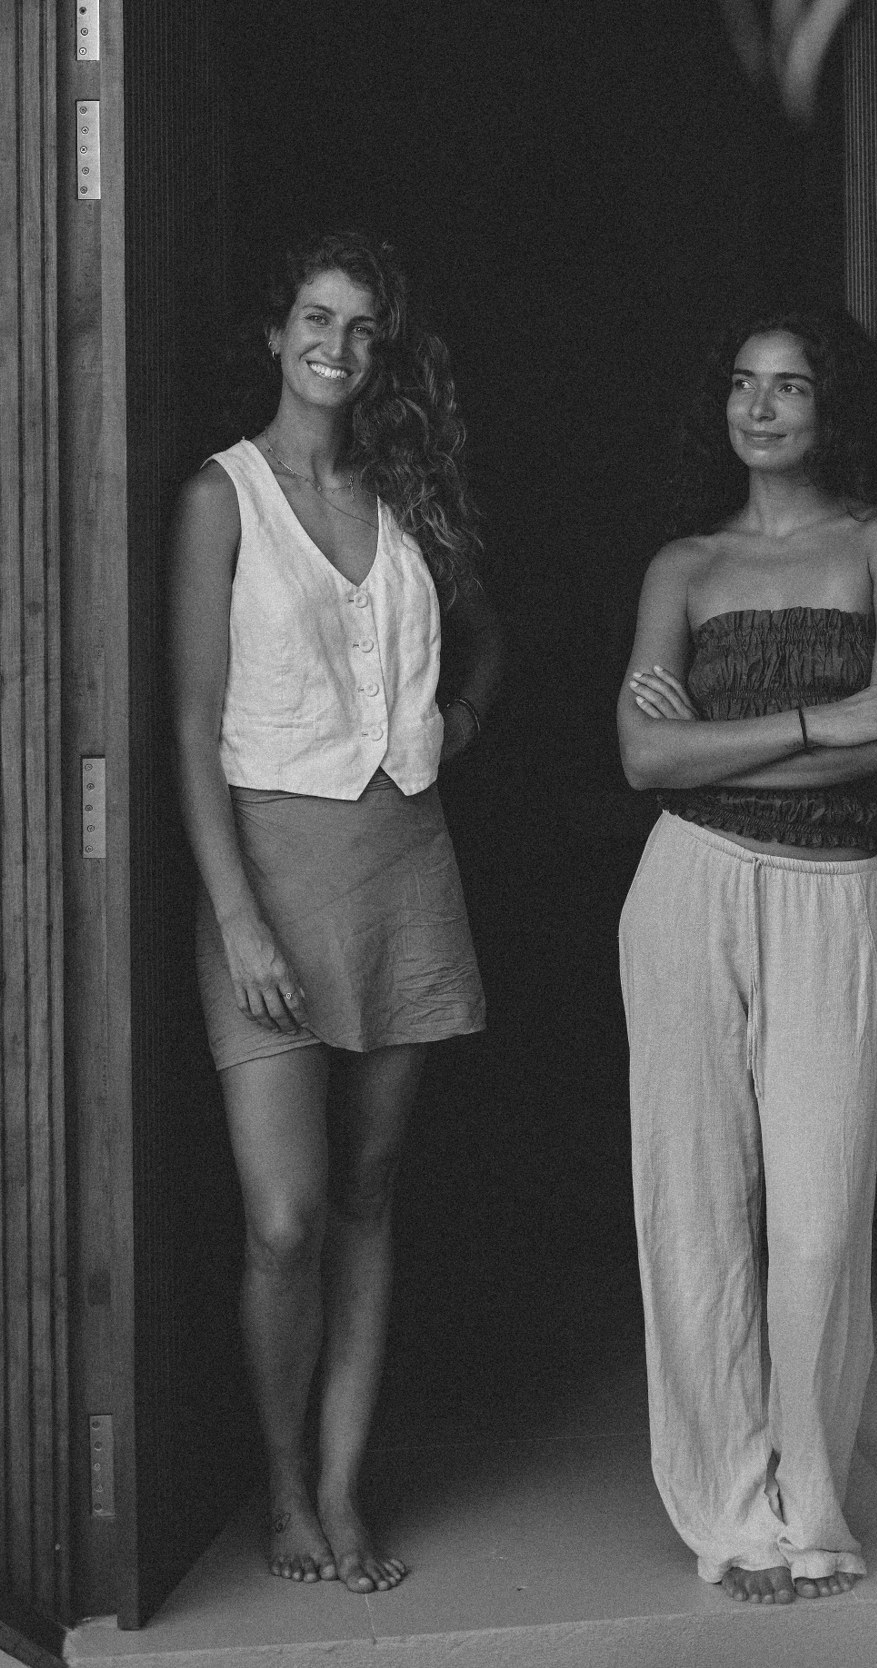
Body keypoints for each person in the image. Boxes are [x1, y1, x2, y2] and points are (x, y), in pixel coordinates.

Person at [169, 231, 501, 1594]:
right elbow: (190, 726)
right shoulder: (222, 498)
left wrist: (455, 723)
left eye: (363, 329)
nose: (338, 347)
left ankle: (345, 1487)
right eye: (317, 318)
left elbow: (488, 635)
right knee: (287, 1216)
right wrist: (237, 917)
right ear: (276, 334)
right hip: (268, 874)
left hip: (406, 865)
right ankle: (285, 1484)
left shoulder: (405, 486)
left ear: (380, 352)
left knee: (370, 1192)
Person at [616, 306, 877, 1605]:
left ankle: (813, 1503)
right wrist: (824, 714)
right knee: (691, 1210)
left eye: (790, 386)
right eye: (744, 384)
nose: (762, 407)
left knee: (815, 1221)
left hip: (831, 895)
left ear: (828, 406)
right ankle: (730, 1514)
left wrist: (731, 733)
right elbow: (644, 761)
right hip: (687, 885)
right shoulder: (680, 569)